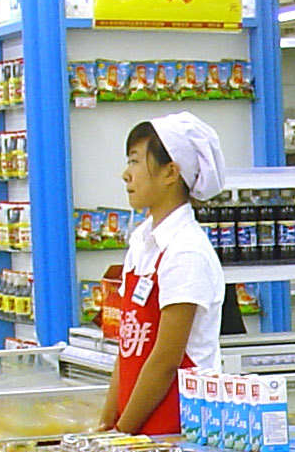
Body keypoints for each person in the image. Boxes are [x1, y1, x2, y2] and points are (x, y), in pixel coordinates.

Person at [97, 113, 226, 435]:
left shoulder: (186, 251)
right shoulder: (142, 242)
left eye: (135, 161)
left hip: (179, 428)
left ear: (171, 172)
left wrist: (123, 432)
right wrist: (106, 424)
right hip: (138, 427)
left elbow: (166, 360)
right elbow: (127, 348)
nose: (126, 174)